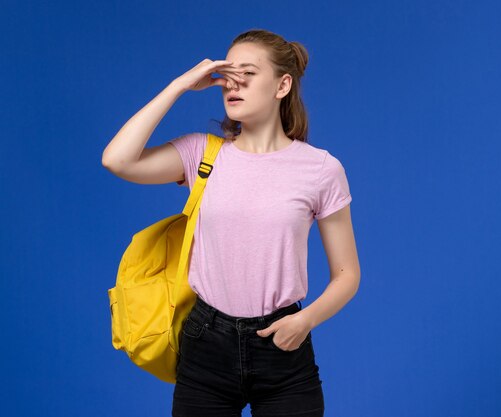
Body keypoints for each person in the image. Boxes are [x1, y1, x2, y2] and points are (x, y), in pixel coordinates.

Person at [102, 28, 360, 417]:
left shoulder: (321, 169)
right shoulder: (202, 154)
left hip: (283, 345)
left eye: (249, 74)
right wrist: (179, 86)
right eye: (228, 75)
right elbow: (117, 160)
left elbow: (348, 274)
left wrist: (305, 320)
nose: (232, 85)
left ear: (282, 85)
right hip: (206, 341)